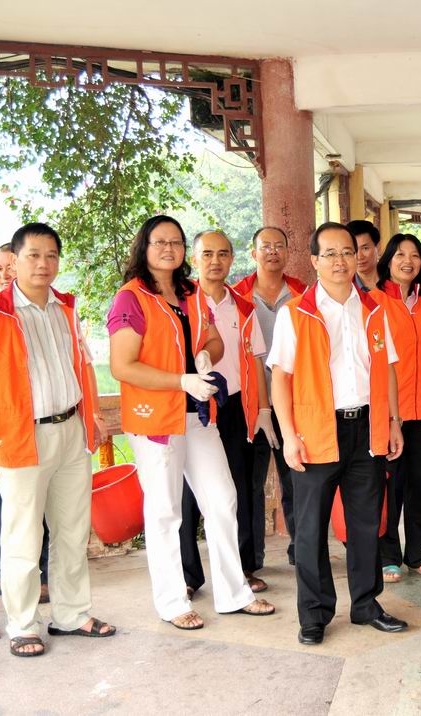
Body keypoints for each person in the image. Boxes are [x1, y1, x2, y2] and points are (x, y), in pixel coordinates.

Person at [108, 216, 274, 629]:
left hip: (198, 413)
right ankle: (172, 602)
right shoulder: (131, 298)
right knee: (165, 510)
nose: (169, 249)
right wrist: (180, 380)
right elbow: (122, 366)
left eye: (176, 242)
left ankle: (233, 593)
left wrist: (204, 357)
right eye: (159, 242)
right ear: (144, 247)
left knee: (222, 498)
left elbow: (213, 340)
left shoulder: (190, 292)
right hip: (155, 419)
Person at [0, 222, 117, 657]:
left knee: (71, 531)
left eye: (51, 255)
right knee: (23, 537)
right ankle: (23, 625)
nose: (43, 263)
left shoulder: (66, 308)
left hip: (70, 431)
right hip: (20, 436)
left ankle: (71, 614)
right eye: (33, 255)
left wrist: (92, 416)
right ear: (14, 260)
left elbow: (82, 364)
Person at [268, 222, 408, 646]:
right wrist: (289, 436)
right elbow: (280, 378)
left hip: (367, 428)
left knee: (366, 524)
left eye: (347, 251)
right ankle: (314, 614)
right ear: (314, 261)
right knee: (310, 530)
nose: (340, 261)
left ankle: (366, 604)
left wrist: (394, 421)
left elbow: (387, 369)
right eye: (329, 253)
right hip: (315, 433)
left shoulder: (375, 309)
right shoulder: (295, 313)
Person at [179, 230, 279, 596]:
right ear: (194, 259)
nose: (215, 261)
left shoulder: (243, 306)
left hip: (234, 406)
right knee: (188, 495)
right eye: (207, 254)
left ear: (233, 259)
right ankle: (188, 577)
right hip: (193, 405)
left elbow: (257, 361)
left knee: (239, 488)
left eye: (223, 254)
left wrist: (263, 409)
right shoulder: (181, 303)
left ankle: (243, 568)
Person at [232, 227, 306, 565]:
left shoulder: (304, 294)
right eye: (266, 246)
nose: (272, 251)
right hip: (252, 404)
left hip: (296, 401)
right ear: (254, 253)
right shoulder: (237, 296)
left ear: (288, 253)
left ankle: (302, 550)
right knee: (250, 481)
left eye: (279, 246)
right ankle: (251, 559)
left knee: (298, 478)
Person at [0, 242, 51, 604]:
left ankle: (44, 575)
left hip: (36, 426)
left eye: (10, 266)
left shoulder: (42, 311)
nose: (4, 274)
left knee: (39, 508)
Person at [375, 233, 421, 582]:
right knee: (390, 489)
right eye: (400, 254)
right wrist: (388, 415)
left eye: (415, 255)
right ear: (388, 260)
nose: (407, 261)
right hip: (390, 414)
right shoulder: (373, 301)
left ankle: (417, 554)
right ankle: (388, 556)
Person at [348, 219, 382, 291]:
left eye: (365, 248)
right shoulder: (345, 287)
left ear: (378, 247)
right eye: (354, 250)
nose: (359, 256)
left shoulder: (396, 280)